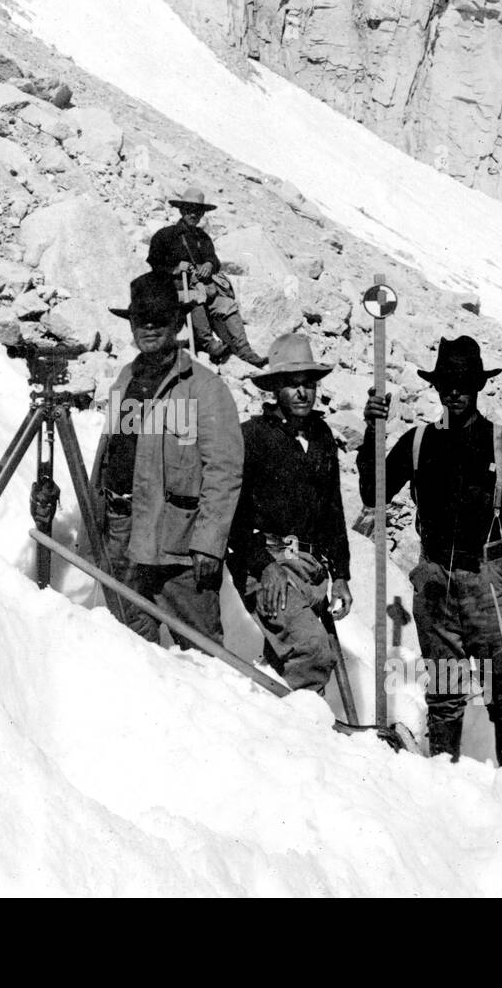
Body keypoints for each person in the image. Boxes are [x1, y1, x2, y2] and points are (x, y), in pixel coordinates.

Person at [359, 336, 502, 764]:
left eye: (463, 382)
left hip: (489, 587)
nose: (454, 391)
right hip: (435, 585)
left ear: (478, 386)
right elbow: (372, 492)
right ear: (436, 388)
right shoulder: (418, 443)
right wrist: (372, 432)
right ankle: (444, 782)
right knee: (446, 692)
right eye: (446, 383)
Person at [88, 271, 244, 648]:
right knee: (129, 648)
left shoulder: (205, 388)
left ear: (178, 323)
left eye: (161, 318)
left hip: (178, 547)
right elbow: (112, 454)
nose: (151, 327)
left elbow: (224, 471)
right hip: (122, 536)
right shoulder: (125, 379)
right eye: (143, 319)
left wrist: (209, 544)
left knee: (203, 653)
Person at [228, 334, 352, 694]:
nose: (302, 393)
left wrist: (341, 574)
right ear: (274, 389)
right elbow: (232, 513)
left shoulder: (322, 435)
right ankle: (300, 736)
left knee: (296, 657)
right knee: (313, 651)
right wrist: (265, 566)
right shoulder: (251, 437)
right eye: (291, 384)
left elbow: (333, 510)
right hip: (268, 567)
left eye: (308, 384)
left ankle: (282, 721)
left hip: (312, 569)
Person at [146, 186, 267, 368]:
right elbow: (154, 264)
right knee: (196, 299)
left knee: (227, 305)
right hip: (175, 292)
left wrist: (209, 264)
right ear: (181, 210)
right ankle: (209, 344)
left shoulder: (203, 237)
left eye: (197, 211)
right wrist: (176, 268)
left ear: (202, 214)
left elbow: (213, 259)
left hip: (203, 289)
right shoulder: (165, 236)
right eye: (189, 210)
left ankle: (245, 351)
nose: (193, 215)